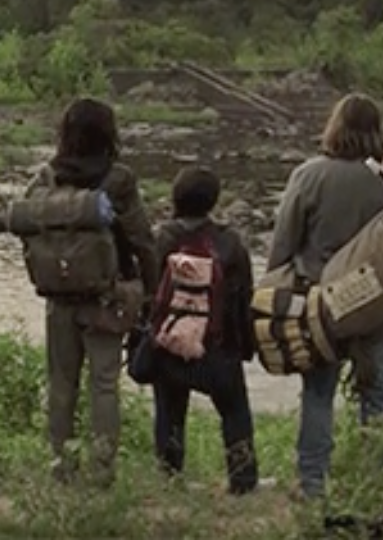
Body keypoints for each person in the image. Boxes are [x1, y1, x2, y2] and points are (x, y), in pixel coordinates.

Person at [267, 92, 383, 501]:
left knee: (318, 393)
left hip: (321, 307)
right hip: (378, 307)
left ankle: (313, 484)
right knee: (378, 392)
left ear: (335, 126)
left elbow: (283, 244)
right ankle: (380, 484)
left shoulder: (308, 175)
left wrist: (273, 288)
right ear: (378, 131)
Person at [26, 97, 157, 487]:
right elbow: (142, 240)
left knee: (61, 382)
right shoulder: (119, 179)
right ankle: (102, 470)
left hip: (58, 297)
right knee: (103, 384)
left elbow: (28, 226)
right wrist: (150, 293)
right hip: (106, 297)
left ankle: (60, 466)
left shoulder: (47, 176)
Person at [150, 166, 259, 496]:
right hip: (217, 347)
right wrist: (245, 346)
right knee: (235, 411)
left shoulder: (163, 238)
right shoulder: (230, 243)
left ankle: (170, 478)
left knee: (169, 411)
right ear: (213, 201)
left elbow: (149, 294)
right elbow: (244, 297)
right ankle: (242, 481)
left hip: (170, 344)